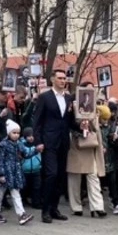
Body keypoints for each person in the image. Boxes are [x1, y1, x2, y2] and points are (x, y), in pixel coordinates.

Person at [32, 69, 76, 223]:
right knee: (51, 174)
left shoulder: (69, 98)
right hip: (48, 141)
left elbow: (70, 121)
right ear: (53, 80)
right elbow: (37, 121)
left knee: (60, 176)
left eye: (65, 78)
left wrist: (82, 125)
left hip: (63, 141)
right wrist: (38, 141)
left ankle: (54, 208)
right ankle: (45, 210)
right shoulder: (45, 97)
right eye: (60, 78)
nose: (63, 81)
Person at [0, 120, 35, 225]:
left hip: (14, 172)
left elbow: (26, 153)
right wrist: (1, 174)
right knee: (1, 194)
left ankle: (18, 214)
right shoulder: (3, 145)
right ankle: (0, 213)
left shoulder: (19, 144)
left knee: (13, 193)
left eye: (18, 133)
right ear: (8, 133)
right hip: (6, 173)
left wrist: (35, 150)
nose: (16, 135)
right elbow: (0, 160)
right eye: (14, 133)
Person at [66, 113, 107, 218]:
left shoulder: (92, 108)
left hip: (90, 145)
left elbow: (97, 129)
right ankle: (76, 207)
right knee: (74, 178)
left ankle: (97, 207)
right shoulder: (71, 107)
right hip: (75, 145)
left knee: (93, 176)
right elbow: (68, 123)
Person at [20, 127, 42, 209]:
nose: (31, 137)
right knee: (24, 187)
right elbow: (25, 154)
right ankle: (22, 201)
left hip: (36, 169)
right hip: (25, 169)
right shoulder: (21, 144)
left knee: (36, 187)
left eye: (32, 135)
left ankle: (36, 202)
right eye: (29, 136)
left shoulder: (37, 143)